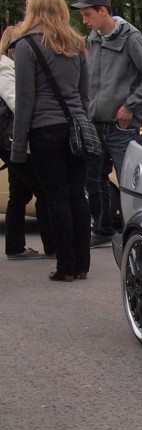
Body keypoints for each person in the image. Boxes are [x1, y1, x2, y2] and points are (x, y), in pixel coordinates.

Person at [11, 0, 91, 282]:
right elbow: (84, 95)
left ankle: (65, 266)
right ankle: (82, 265)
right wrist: (82, 122)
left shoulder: (26, 46)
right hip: (76, 127)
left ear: (32, 8)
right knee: (78, 196)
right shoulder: (77, 44)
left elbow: (25, 100)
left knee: (56, 197)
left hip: (44, 130)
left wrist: (18, 147)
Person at [70, 0, 142, 248]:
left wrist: (129, 106)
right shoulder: (93, 38)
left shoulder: (131, 38)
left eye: (88, 14)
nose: (84, 21)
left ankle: (136, 231)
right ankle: (102, 229)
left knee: (127, 180)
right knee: (94, 180)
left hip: (121, 125)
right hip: (95, 122)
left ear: (103, 11)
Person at [1, 25, 54, 260]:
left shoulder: (8, 69)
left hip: (11, 141)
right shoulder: (5, 70)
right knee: (43, 190)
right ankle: (52, 245)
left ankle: (15, 247)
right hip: (13, 140)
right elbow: (17, 103)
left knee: (20, 193)